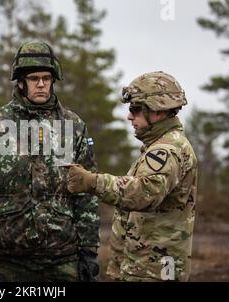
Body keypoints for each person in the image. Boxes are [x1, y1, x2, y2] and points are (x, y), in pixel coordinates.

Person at [0, 40, 100, 282]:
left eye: (46, 78)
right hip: (6, 258)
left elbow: (86, 194)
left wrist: (89, 251)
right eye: (33, 78)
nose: (41, 84)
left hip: (62, 257)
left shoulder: (74, 125)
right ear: (21, 81)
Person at [68, 71, 198, 282]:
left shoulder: (167, 149)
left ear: (158, 110)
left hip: (153, 270)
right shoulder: (161, 145)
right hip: (145, 267)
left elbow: (144, 192)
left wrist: (93, 182)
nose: (130, 116)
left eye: (136, 110)